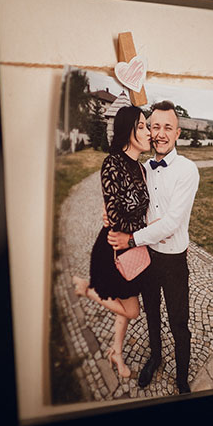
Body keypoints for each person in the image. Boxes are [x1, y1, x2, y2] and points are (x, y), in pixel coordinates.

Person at [108, 101, 199, 394]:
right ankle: (155, 357)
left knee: (179, 320)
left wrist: (132, 238)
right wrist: (108, 213)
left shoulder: (187, 170)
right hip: (147, 257)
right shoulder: (143, 168)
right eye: (154, 126)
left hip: (173, 259)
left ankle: (182, 378)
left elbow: (171, 222)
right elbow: (130, 204)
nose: (160, 134)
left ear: (178, 133)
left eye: (167, 128)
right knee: (151, 313)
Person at [73, 105, 151, 380]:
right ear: (128, 131)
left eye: (147, 126)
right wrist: (143, 232)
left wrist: (142, 233)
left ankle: (116, 352)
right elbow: (115, 216)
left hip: (132, 248)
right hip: (113, 248)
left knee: (124, 305)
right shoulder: (112, 163)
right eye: (141, 126)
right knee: (132, 310)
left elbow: (141, 210)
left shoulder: (141, 169)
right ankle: (87, 290)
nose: (148, 132)